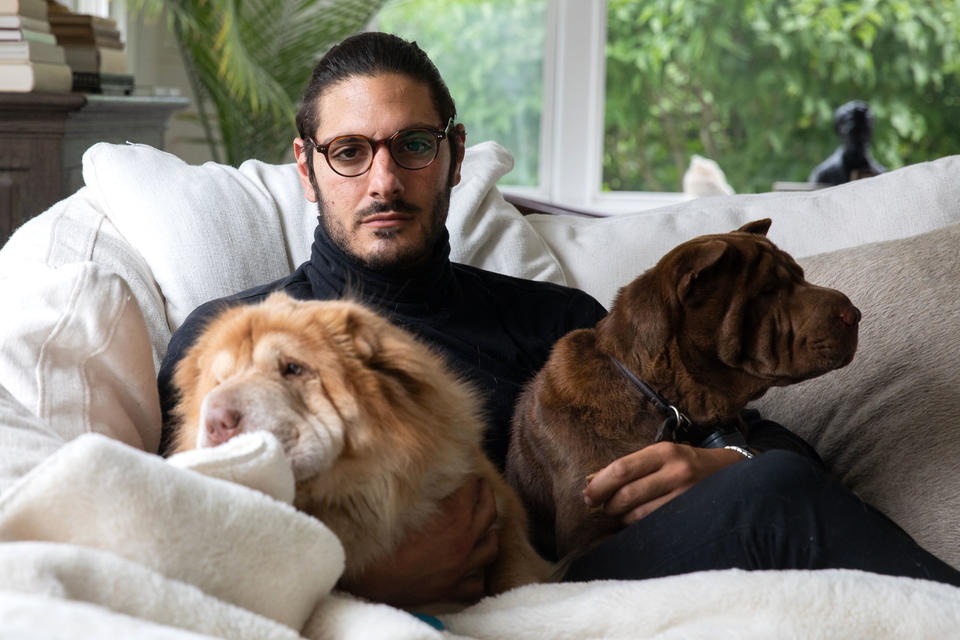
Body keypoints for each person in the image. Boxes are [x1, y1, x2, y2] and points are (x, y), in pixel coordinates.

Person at [157, 32, 960, 609]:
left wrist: (732, 459)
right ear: (306, 166)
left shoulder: (553, 324)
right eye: (349, 152)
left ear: (455, 156)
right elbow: (186, 529)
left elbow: (772, 445)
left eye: (414, 145)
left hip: (567, 586)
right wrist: (365, 577)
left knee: (775, 484)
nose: (384, 179)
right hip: (388, 605)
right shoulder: (229, 348)